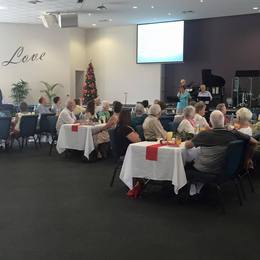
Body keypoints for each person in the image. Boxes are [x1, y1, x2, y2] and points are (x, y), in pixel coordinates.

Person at [185, 110, 257, 174]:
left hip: (205, 169)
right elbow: (254, 142)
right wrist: (248, 159)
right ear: (223, 121)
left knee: (188, 164)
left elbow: (187, 146)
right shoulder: (234, 133)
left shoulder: (204, 134)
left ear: (210, 121)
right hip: (226, 168)